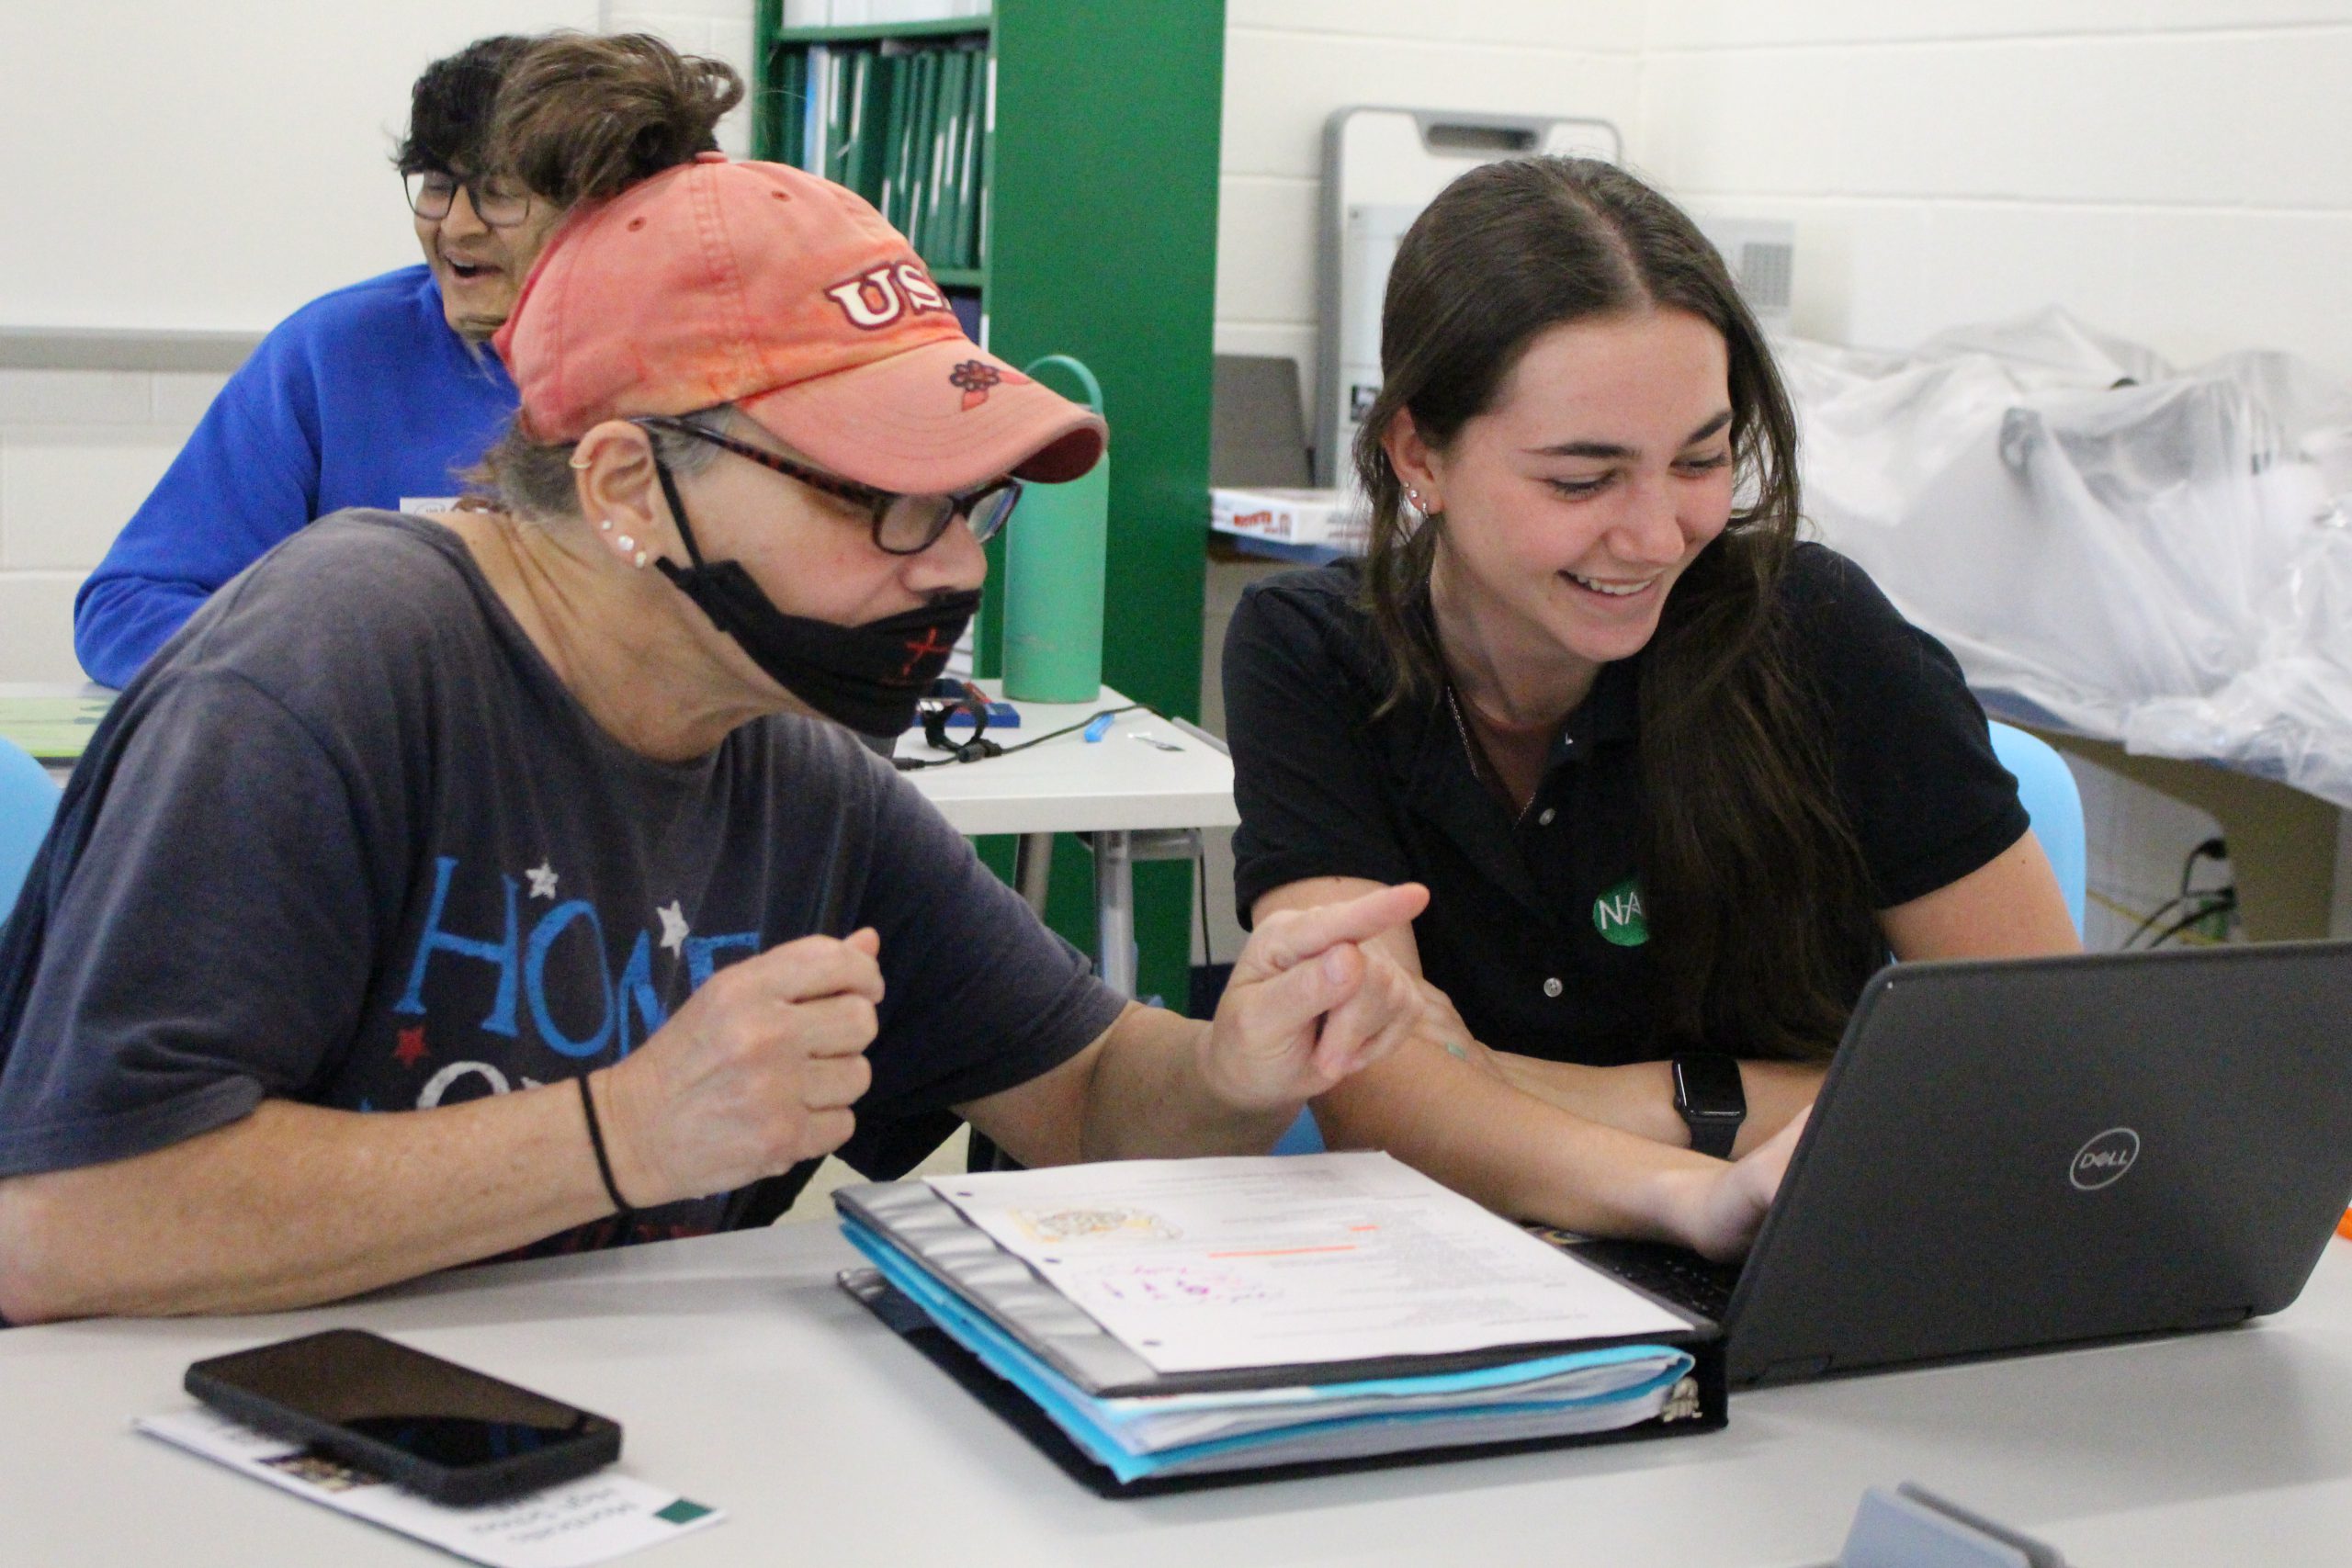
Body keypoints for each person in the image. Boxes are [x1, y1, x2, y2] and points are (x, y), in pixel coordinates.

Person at [0, 144, 1430, 1324]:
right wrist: (619, 1133)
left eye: (971, 503)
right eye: (885, 496)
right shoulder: (334, 663)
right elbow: (67, 1223)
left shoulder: (789, 753)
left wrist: (1237, 1064)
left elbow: (1095, 1095)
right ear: (626, 483)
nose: (954, 566)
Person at [1223, 157, 2081, 1261]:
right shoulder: (1313, 650)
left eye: (1700, 460)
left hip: (1821, 1252)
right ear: (1416, 456)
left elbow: (2039, 1060)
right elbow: (1371, 1089)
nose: (1655, 535)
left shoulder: (1816, 630)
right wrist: (1699, 1186)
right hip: (1476, 1273)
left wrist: (1592, 1097)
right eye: (1580, 482)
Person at [69, 34, 739, 689]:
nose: (456, 226)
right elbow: (129, 608)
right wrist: (342, 677)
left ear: (611, 207)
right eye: (439, 184)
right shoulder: (333, 354)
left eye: (500, 192)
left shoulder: (724, 360)